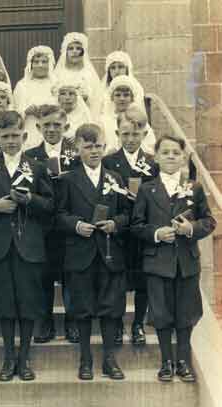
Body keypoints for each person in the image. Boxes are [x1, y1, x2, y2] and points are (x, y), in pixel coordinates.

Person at [0, 111, 54, 382]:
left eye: (15, 136)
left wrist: (30, 199)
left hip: (29, 245)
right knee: (5, 302)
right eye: (5, 136)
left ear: (25, 136)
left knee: (29, 301)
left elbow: (50, 206)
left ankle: (25, 357)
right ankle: (8, 357)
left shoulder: (37, 167)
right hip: (0, 245)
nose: (10, 141)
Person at [131, 135, 216, 383]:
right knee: (161, 312)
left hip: (186, 261)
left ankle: (183, 361)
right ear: (156, 157)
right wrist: (156, 233)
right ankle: (166, 361)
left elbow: (209, 221)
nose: (170, 156)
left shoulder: (194, 187)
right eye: (165, 152)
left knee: (186, 313)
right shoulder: (147, 190)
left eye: (175, 153)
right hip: (157, 261)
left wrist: (190, 228)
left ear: (183, 158)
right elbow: (137, 225)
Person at [57, 124, 130, 381]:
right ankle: (85, 358)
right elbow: (59, 214)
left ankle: (109, 358)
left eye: (98, 146)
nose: (94, 151)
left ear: (105, 145)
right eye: (88, 147)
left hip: (109, 252)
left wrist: (115, 224)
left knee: (111, 307)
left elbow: (126, 213)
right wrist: (75, 225)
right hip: (81, 252)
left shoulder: (115, 178)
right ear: (77, 148)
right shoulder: (67, 179)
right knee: (83, 307)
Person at [25, 104, 80, 344]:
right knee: (42, 275)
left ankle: (72, 321)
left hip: (69, 225)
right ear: (38, 127)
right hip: (43, 227)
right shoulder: (31, 157)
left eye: (56, 125)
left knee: (71, 275)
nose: (51, 129)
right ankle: (44, 321)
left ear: (66, 126)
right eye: (46, 125)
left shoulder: (76, 155)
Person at [102, 114, 159, 346]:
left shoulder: (152, 164)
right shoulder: (109, 161)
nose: (130, 138)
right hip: (119, 230)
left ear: (144, 134)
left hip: (143, 229)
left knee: (143, 279)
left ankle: (137, 324)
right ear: (117, 134)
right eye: (125, 133)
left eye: (136, 134)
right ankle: (116, 324)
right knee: (117, 279)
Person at [14, 45, 57, 150]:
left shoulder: (57, 84)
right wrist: (26, 111)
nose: (40, 65)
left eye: (44, 62)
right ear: (31, 64)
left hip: (52, 130)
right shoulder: (22, 85)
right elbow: (14, 112)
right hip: (30, 129)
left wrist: (47, 111)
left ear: (50, 64)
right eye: (36, 62)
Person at [101, 76, 156, 154]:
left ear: (132, 98)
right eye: (118, 95)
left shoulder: (139, 120)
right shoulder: (104, 121)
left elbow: (150, 145)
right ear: (112, 97)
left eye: (126, 95)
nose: (122, 98)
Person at [53, 32, 103, 117]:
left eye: (78, 48)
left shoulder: (89, 74)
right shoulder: (58, 74)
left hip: (85, 115)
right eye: (71, 49)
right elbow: (53, 97)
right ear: (66, 52)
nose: (75, 51)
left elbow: (98, 98)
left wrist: (86, 98)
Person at [100, 51, 146, 115]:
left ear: (127, 69)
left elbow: (138, 111)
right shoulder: (103, 89)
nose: (117, 71)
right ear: (109, 71)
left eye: (120, 67)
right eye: (113, 68)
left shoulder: (136, 88)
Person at [51, 78, 92, 143]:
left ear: (77, 97)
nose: (67, 98)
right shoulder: (51, 116)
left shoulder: (85, 117)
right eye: (63, 94)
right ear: (58, 98)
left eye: (71, 94)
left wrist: (80, 137)